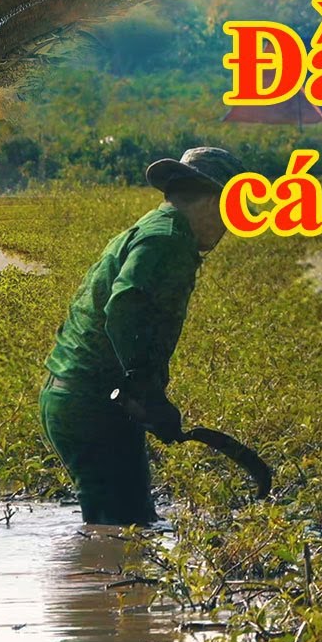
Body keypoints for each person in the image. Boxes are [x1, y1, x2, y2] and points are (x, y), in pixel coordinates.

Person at [40, 147, 245, 525]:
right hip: (91, 403)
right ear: (213, 202)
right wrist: (144, 388)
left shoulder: (159, 228)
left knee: (127, 524)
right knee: (121, 529)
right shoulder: (166, 239)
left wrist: (145, 395)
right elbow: (125, 304)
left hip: (85, 397)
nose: (230, 227)